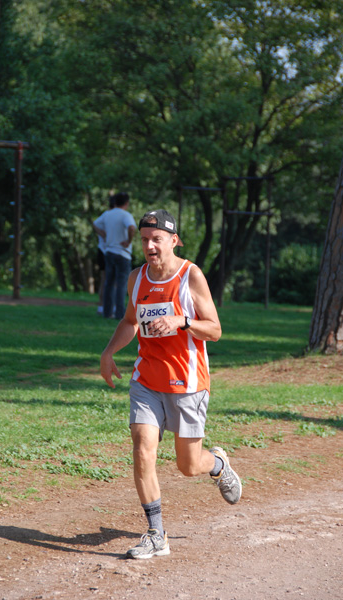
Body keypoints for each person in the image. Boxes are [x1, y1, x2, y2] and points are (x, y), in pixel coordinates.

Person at [100, 208, 242, 560]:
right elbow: (131, 321)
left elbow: (216, 329)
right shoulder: (137, 278)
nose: (150, 246)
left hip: (187, 382)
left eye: (157, 239)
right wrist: (108, 353)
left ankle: (219, 465)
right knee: (142, 446)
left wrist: (181, 320)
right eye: (145, 239)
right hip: (147, 377)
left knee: (188, 465)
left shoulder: (190, 276)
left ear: (173, 241)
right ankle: (155, 533)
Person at [92, 192, 136, 320]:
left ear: (115, 202)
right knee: (121, 284)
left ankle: (107, 312)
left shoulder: (107, 214)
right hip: (123, 253)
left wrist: (102, 234)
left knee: (109, 283)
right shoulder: (126, 215)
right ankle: (119, 313)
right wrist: (128, 241)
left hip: (109, 252)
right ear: (126, 203)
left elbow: (95, 224)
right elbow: (132, 228)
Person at [92, 195, 116, 315]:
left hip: (108, 251)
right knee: (107, 279)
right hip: (105, 250)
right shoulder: (108, 215)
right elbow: (95, 224)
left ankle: (107, 306)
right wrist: (103, 235)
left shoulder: (110, 215)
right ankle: (103, 305)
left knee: (107, 279)